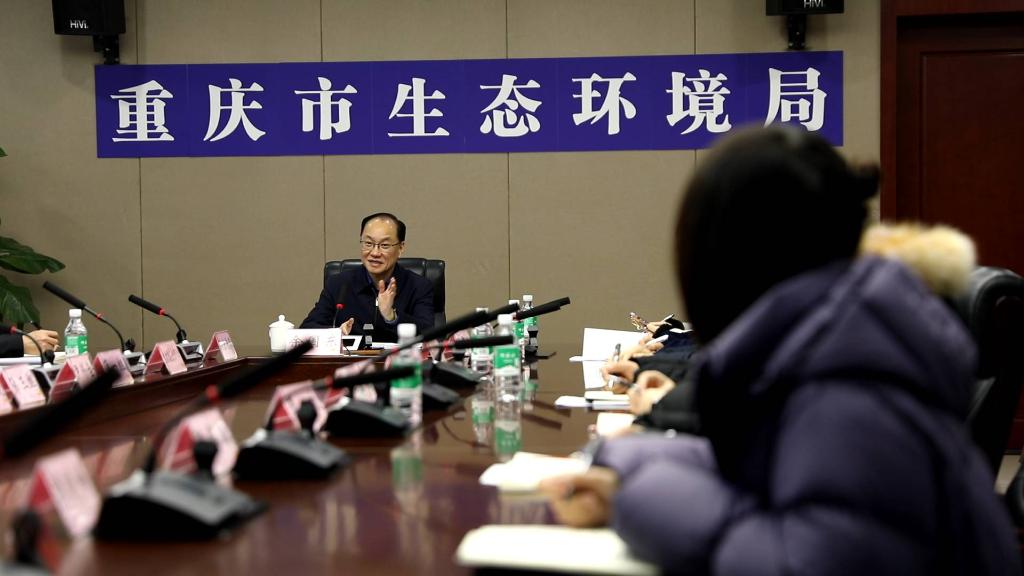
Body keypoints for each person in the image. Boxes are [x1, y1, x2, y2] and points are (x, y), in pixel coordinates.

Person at [540, 126, 1020, 575]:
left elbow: (798, 563)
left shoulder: (846, 387)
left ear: (730, 259)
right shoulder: (837, 337)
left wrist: (632, 498)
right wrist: (622, 460)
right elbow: (755, 465)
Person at [300, 212, 434, 342]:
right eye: (368, 243)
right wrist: (335, 334)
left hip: (399, 357)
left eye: (384, 245)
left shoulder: (419, 286)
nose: (375, 253)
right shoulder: (339, 284)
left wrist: (391, 316)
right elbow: (307, 330)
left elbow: (429, 334)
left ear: (400, 248)